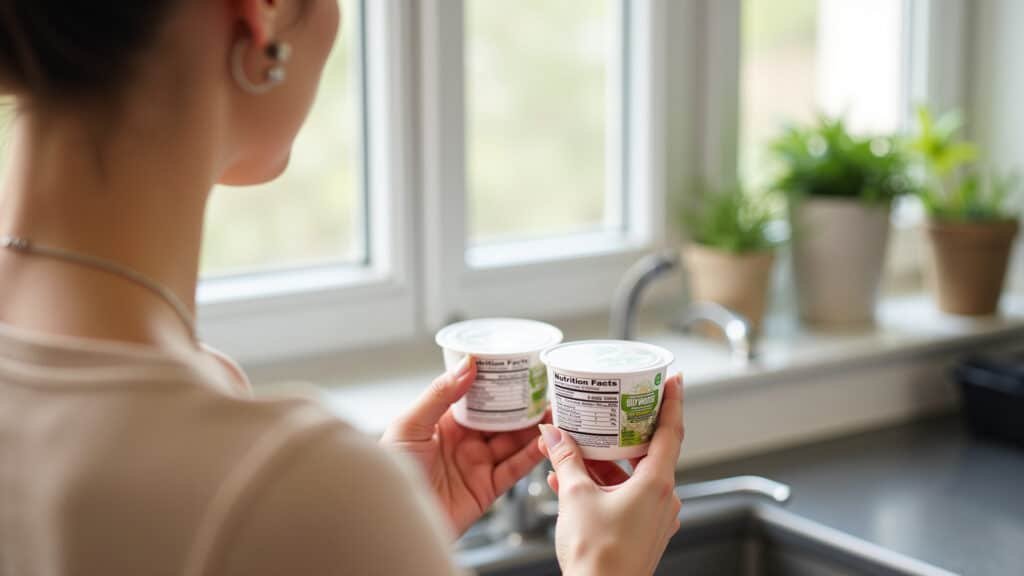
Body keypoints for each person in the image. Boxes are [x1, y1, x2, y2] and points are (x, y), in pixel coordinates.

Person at [0, 1, 685, 575]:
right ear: (260, 14)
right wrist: (606, 567)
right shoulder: (275, 481)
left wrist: (372, 531)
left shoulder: (250, 456)